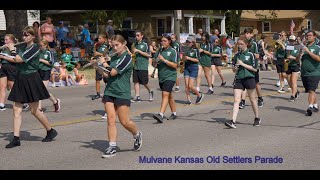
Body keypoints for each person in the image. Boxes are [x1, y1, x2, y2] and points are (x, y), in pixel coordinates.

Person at [2, 26, 58, 148]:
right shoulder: (22, 47)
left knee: (34, 111)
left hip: (32, 79)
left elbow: (19, 59)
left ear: (33, 36)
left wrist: (12, 49)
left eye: (27, 35)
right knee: (16, 109)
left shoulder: (35, 48)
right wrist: (3, 53)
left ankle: (50, 130)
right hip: (20, 78)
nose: (25, 37)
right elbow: (13, 58)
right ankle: (16, 138)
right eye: (23, 34)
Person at [96, 34, 142, 158]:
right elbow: (107, 75)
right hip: (110, 91)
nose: (115, 48)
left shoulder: (127, 58)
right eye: (113, 46)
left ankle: (137, 134)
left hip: (122, 92)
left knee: (124, 121)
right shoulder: (114, 58)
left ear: (124, 44)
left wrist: (104, 64)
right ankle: (112, 146)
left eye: (117, 45)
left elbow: (113, 72)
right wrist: (98, 66)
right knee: (111, 119)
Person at [225, 36, 260, 129]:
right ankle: (233, 121)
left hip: (249, 78)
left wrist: (243, 64)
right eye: (238, 44)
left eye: (241, 44)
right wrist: (235, 68)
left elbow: (255, 69)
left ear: (246, 44)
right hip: (239, 78)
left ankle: (257, 118)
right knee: (237, 100)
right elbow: (233, 70)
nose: (239, 46)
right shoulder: (237, 55)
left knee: (252, 99)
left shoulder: (251, 54)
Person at [152, 34, 178, 123]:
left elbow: (175, 65)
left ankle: (161, 114)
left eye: (165, 41)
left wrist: (164, 60)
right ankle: (174, 113)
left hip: (170, 76)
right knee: (169, 95)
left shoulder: (173, 51)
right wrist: (155, 61)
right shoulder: (159, 51)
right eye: (162, 41)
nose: (162, 43)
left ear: (169, 41)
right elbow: (154, 64)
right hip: (161, 76)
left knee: (165, 94)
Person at [296, 30, 320, 116]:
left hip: (314, 73)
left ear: (314, 37)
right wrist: (300, 53)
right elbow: (296, 59)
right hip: (304, 73)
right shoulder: (304, 47)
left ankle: (310, 107)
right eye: (307, 36)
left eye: (310, 35)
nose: (308, 37)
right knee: (311, 91)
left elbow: (318, 59)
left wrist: (309, 51)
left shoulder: (317, 47)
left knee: (311, 90)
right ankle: (315, 105)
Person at [38, 38, 61, 112]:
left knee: (42, 90)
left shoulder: (48, 52)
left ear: (45, 45)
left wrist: (41, 60)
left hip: (46, 71)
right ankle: (55, 101)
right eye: (39, 45)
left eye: (41, 46)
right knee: (40, 90)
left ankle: (39, 108)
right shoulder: (38, 52)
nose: (40, 47)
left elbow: (51, 63)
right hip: (38, 71)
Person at [131, 30, 154, 102]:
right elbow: (133, 54)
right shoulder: (134, 44)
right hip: (135, 65)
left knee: (144, 82)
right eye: (136, 35)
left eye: (138, 35)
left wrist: (139, 51)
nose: (136, 37)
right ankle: (137, 96)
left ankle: (150, 91)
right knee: (136, 81)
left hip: (143, 66)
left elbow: (149, 55)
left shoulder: (145, 44)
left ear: (142, 36)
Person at [183, 36, 205, 105]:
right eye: (187, 41)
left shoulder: (196, 50)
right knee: (186, 85)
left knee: (190, 86)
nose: (188, 43)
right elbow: (183, 59)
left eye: (189, 42)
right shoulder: (185, 49)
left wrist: (189, 58)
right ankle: (188, 100)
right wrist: (183, 59)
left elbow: (198, 60)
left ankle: (199, 95)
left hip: (193, 68)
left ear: (192, 43)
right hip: (186, 67)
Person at [0, 34, 17, 111]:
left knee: (12, 87)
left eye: (7, 39)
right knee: (2, 86)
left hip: (11, 67)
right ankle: (1, 104)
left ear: (12, 40)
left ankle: (21, 102)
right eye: (5, 39)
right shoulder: (3, 48)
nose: (5, 41)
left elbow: (15, 59)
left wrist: (3, 56)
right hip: (3, 67)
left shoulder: (14, 47)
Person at [91, 33, 109, 100]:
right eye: (98, 38)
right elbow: (95, 54)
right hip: (98, 64)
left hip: (104, 65)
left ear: (104, 39)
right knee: (97, 79)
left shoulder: (105, 47)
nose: (98, 39)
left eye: (100, 38)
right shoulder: (98, 46)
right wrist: (94, 55)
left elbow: (107, 55)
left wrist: (98, 53)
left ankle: (107, 93)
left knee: (106, 80)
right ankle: (98, 94)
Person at [286, 35, 300, 102]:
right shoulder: (289, 46)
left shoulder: (298, 46)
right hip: (289, 65)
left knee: (293, 81)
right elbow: (288, 56)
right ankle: (296, 91)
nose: (291, 42)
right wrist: (295, 58)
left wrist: (297, 58)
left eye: (293, 40)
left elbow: (300, 55)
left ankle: (293, 95)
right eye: (290, 40)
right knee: (289, 81)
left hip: (296, 65)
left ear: (295, 40)